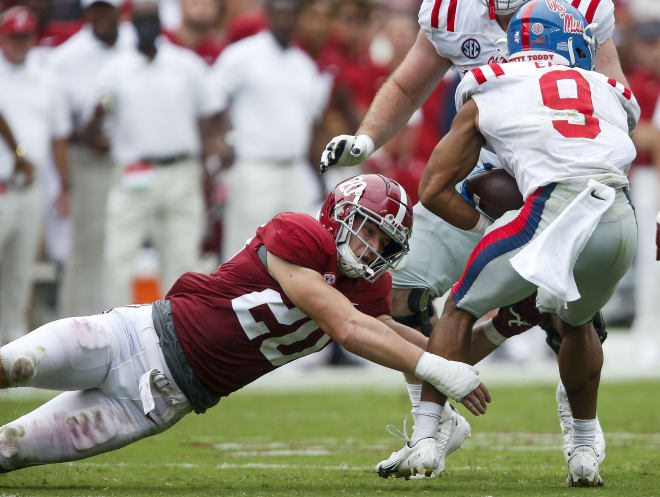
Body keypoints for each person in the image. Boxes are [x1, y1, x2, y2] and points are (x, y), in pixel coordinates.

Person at [0, 174, 486, 472]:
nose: (373, 250)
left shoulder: (369, 289)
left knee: (9, 448)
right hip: (133, 335)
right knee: (13, 364)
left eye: (385, 244)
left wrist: (431, 417)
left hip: (161, 402)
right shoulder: (301, 235)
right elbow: (347, 328)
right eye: (368, 231)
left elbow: (387, 336)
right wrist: (440, 369)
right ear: (339, 215)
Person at [320, 0, 626, 470]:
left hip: (552, 189)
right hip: (492, 189)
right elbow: (406, 85)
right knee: (395, 287)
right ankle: (438, 418)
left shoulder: (502, 73)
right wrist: (366, 139)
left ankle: (579, 426)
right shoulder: (451, 14)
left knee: (565, 317)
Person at [85, 0, 221, 307]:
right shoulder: (115, 69)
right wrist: (96, 117)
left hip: (181, 169)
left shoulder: (186, 64)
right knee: (119, 256)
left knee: (183, 258)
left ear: (161, 24)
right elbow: (94, 127)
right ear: (130, 25)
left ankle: (180, 333)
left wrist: (213, 160)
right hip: (134, 171)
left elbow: (211, 116)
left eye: (152, 21)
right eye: (140, 21)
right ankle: (115, 333)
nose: (146, 28)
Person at [208, 0, 331, 262]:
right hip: (253, 168)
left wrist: (320, 177)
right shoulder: (242, 54)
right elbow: (214, 97)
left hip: (294, 172)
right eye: (280, 14)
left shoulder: (303, 65)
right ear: (269, 15)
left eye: (291, 15)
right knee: (242, 251)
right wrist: (226, 138)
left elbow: (309, 125)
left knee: (295, 254)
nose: (285, 21)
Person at [49, 0, 136, 317]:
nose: (101, 16)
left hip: (136, 161)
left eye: (107, 8)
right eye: (95, 9)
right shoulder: (65, 58)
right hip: (90, 162)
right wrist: (87, 136)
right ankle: (78, 322)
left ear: (118, 11)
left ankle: (125, 323)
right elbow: (57, 125)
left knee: (128, 246)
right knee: (88, 246)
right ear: (85, 13)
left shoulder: (136, 41)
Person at [0, 6, 71, 345]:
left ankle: (11, 343)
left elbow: (58, 136)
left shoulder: (47, 79)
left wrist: (65, 186)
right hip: (2, 183)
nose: (19, 42)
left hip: (31, 187)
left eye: (25, 36)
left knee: (19, 270)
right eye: (14, 36)